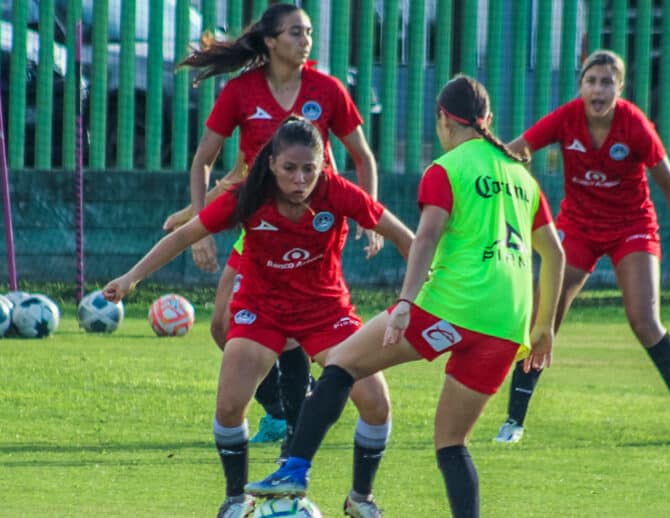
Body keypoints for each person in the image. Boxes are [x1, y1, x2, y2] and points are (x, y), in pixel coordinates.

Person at [245, 76, 565, 518]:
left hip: (452, 305)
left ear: (441, 119)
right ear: (487, 120)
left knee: (342, 364)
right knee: (452, 444)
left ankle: (294, 469)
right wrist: (544, 326)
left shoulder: (446, 169)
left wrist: (404, 304)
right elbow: (555, 254)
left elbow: (427, 237)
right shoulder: (521, 176)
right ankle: (361, 498)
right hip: (508, 324)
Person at [102, 118, 413, 518]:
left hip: (326, 310)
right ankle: (236, 499)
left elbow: (407, 238)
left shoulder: (337, 192)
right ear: (270, 164)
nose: (300, 178)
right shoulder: (248, 196)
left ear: (322, 167)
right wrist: (131, 278)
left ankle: (360, 499)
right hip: (261, 309)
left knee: (376, 403)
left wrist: (414, 298)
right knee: (230, 405)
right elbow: (184, 235)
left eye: (309, 169)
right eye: (290, 168)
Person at [164, 3, 382, 446]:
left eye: (308, 33)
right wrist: (198, 222)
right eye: (296, 33)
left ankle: (292, 420)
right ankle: (289, 406)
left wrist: (370, 214)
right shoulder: (242, 92)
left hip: (315, 226)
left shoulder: (327, 89)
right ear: (270, 41)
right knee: (223, 328)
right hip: (259, 222)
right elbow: (203, 160)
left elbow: (362, 156)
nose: (306, 41)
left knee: (293, 317)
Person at [494, 49, 670, 445]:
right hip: (578, 227)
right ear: (580, 86)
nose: (598, 89)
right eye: (591, 81)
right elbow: (517, 151)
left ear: (621, 87)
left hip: (632, 226)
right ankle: (513, 422)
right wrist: (488, 163)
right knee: (543, 315)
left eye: (607, 81)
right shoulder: (566, 118)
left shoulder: (634, 125)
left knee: (644, 320)